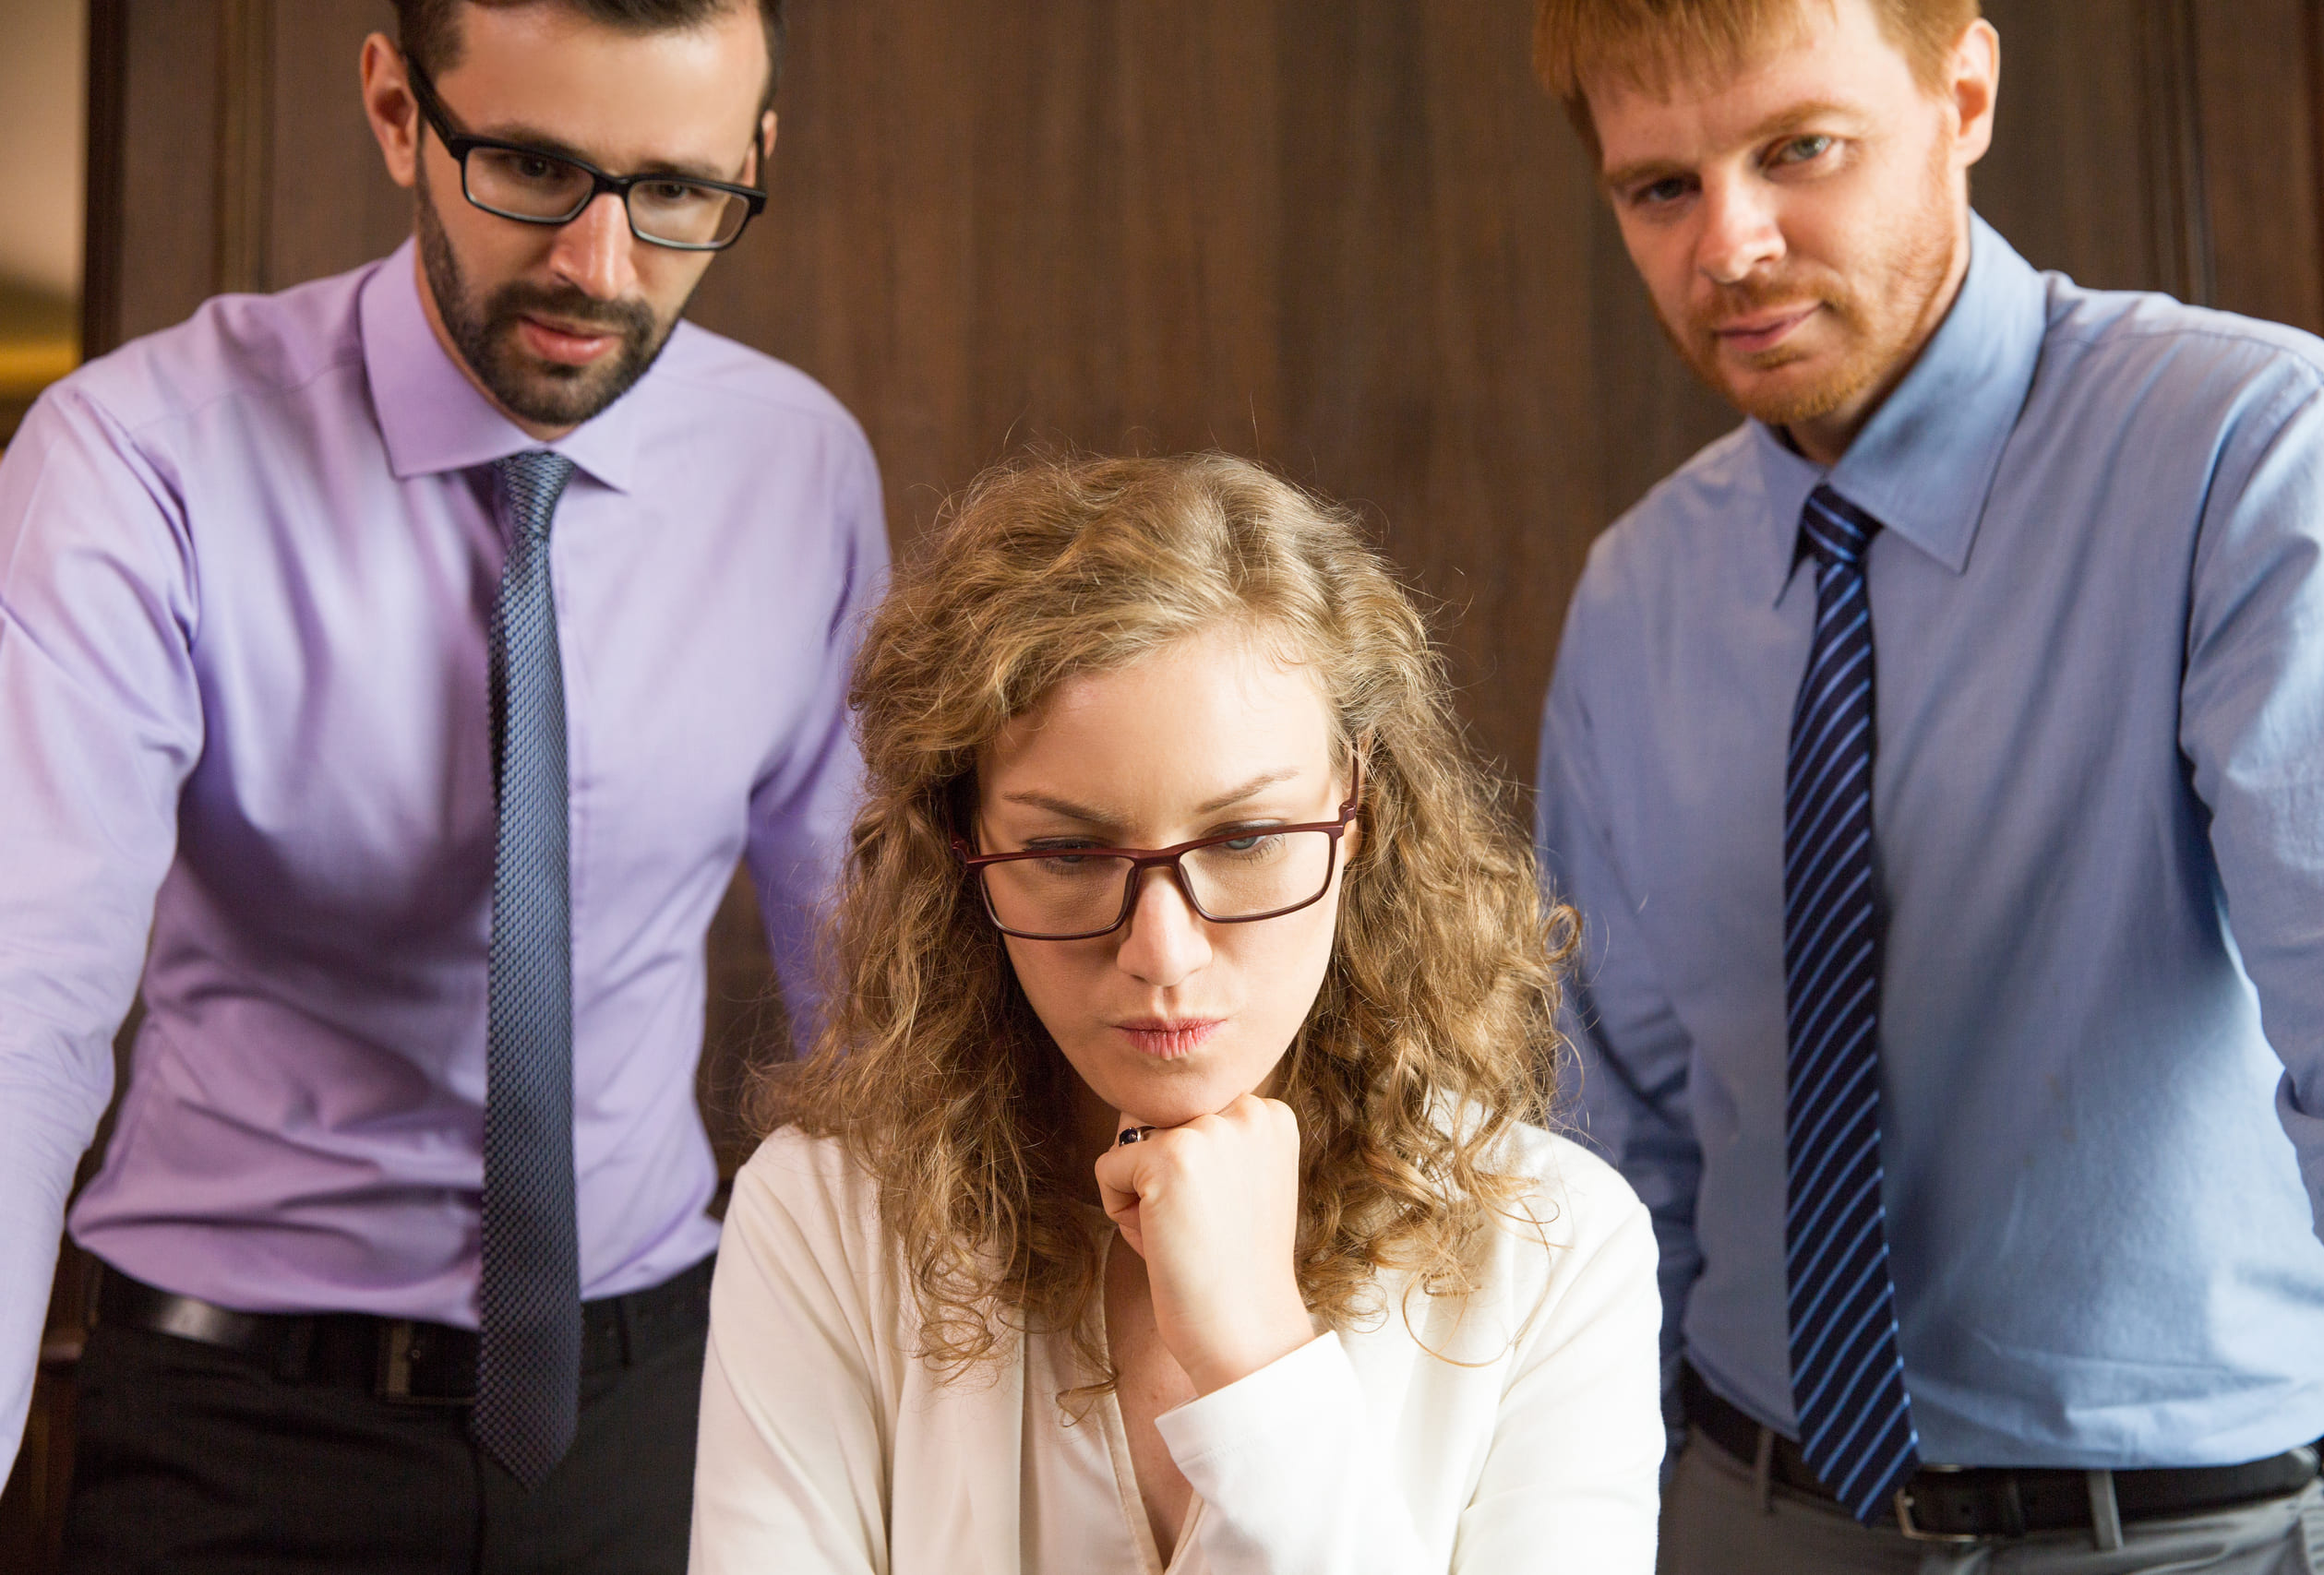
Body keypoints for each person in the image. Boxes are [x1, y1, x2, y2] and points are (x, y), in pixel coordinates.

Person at [0, 0, 887, 1565]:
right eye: (534, 167)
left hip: (662, 1406)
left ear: (755, 156)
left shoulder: (798, 467)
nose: (599, 271)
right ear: (400, 109)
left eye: (677, 193)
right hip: (237, 1420)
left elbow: (876, 1016)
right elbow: (22, 1001)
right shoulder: (139, 456)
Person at [1527, 0, 2324, 1569]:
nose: (1731, 245)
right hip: (1738, 1507)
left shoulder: (2248, 454)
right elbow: (1611, 1152)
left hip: (2186, 1534)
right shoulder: (1639, 586)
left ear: (1962, 91)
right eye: (1661, 189)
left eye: (1802, 150)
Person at [687, 452, 1664, 1573]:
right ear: (961, 850)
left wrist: (1259, 1359)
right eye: (1065, 850)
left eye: (1246, 842)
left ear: (1362, 815)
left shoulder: (1560, 1249)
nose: (1162, 952)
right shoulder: (824, 1218)